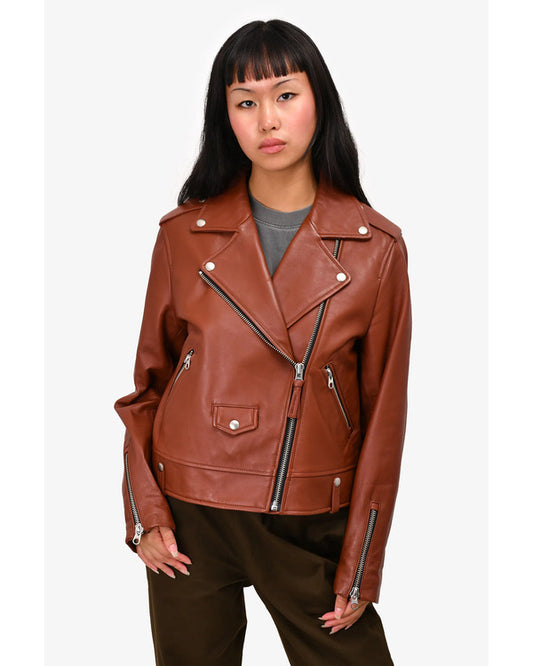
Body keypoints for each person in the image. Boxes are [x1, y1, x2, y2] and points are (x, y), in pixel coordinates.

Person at [114, 18, 412, 666]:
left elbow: (383, 419)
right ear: (224, 117)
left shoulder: (375, 248)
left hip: (307, 518)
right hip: (189, 514)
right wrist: (145, 514)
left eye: (285, 95)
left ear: (318, 102)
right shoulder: (183, 235)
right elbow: (147, 389)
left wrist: (361, 561)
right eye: (244, 102)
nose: (266, 119)